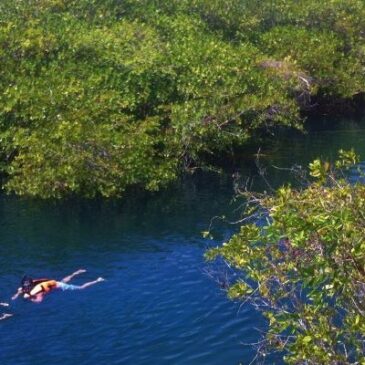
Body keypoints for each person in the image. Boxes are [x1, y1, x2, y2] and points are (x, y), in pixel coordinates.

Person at [12, 269, 104, 303]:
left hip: (58, 286)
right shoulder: (30, 285)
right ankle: (76, 273)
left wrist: (31, 299)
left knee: (81, 288)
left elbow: (39, 301)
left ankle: (97, 280)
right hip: (53, 284)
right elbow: (20, 290)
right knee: (62, 281)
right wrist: (16, 295)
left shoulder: (37, 293)